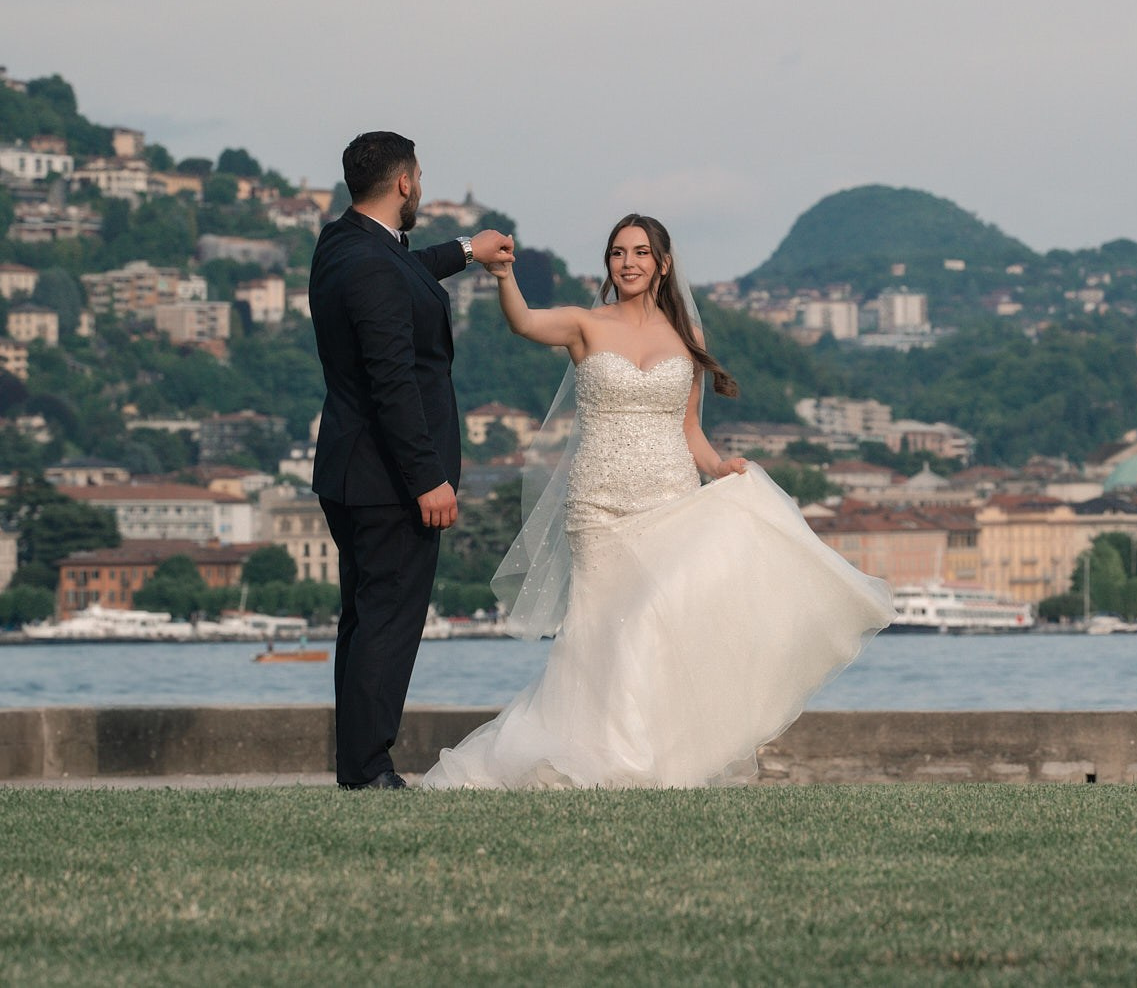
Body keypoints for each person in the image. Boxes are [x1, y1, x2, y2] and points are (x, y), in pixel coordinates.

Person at [419, 213, 893, 789]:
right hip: (598, 504)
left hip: (671, 499)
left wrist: (721, 467)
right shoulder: (585, 325)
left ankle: (651, 759)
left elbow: (688, 428)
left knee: (653, 629)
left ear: (662, 264)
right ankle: (596, 755)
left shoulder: (688, 339)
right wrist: (502, 275)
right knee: (599, 635)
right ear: (609, 264)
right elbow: (523, 323)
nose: (629, 263)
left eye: (641, 252)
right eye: (618, 253)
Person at [309, 131, 515, 790]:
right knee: (389, 620)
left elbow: (406, 273)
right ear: (404, 183)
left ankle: (357, 764)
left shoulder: (343, 245)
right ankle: (369, 769)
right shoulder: (372, 265)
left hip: (352, 470)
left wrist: (467, 251)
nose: (420, 186)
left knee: (366, 617)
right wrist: (429, 477)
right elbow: (392, 379)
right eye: (419, 176)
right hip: (390, 478)